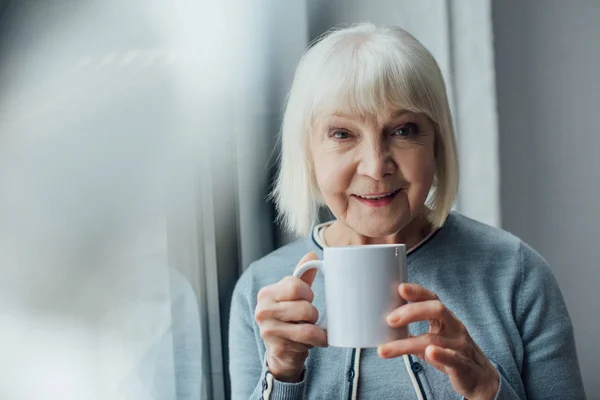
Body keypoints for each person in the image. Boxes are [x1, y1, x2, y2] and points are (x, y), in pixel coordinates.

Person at [228, 22, 586, 400]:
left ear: (437, 143)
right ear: (308, 153)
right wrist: (281, 373)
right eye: (342, 134)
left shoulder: (516, 274)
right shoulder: (260, 289)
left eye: (403, 130)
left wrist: (486, 388)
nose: (375, 166)